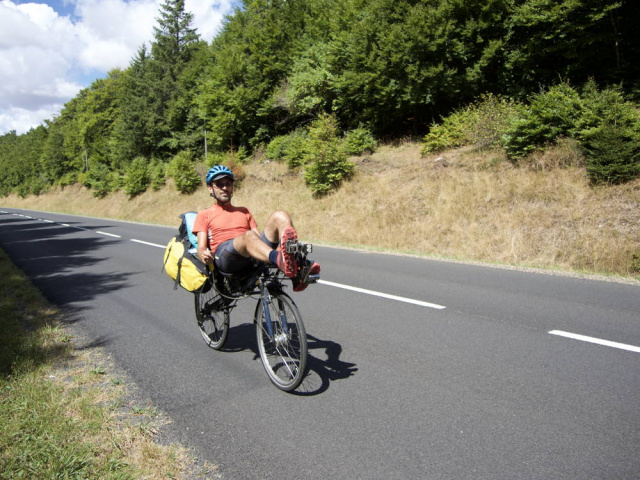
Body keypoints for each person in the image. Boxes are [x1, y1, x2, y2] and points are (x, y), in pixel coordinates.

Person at [192, 165, 320, 292]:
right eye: (219, 184)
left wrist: (278, 247)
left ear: (232, 187)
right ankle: (279, 259)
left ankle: (296, 271)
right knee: (248, 236)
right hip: (226, 257)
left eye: (228, 183)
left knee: (280, 215)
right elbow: (201, 248)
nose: (225, 187)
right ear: (210, 189)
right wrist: (203, 254)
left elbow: (257, 239)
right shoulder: (204, 214)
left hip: (249, 253)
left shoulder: (244, 211)